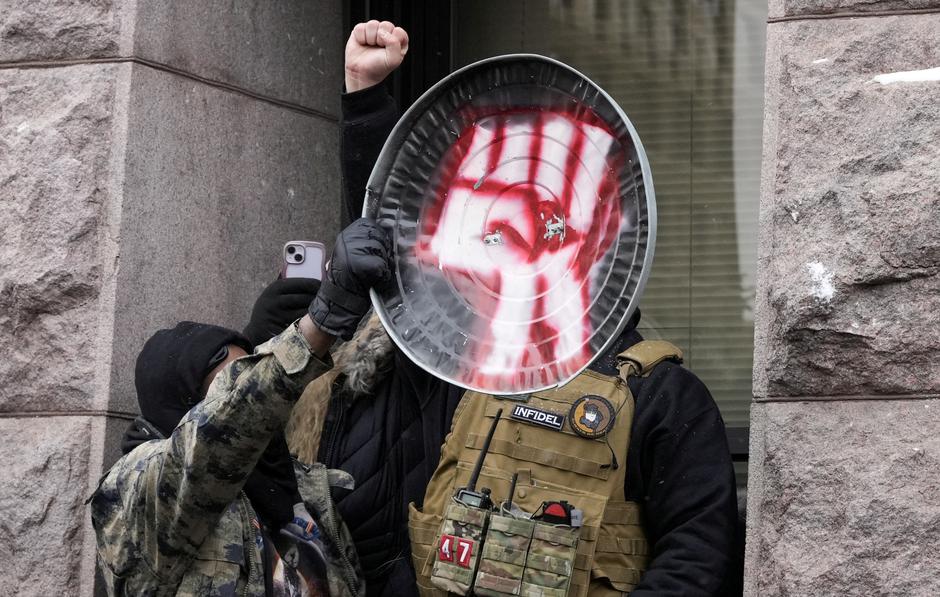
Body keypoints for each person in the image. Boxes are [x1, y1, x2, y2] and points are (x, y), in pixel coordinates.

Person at [285, 19, 738, 597]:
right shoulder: (465, 372)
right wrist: (366, 97)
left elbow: (697, 559)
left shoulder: (661, 397)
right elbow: (402, 253)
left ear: (601, 242)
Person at [89, 218, 391, 596]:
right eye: (226, 386)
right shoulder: (133, 493)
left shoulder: (300, 487)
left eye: (246, 372)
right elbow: (215, 436)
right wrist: (320, 323)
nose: (242, 395)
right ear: (185, 409)